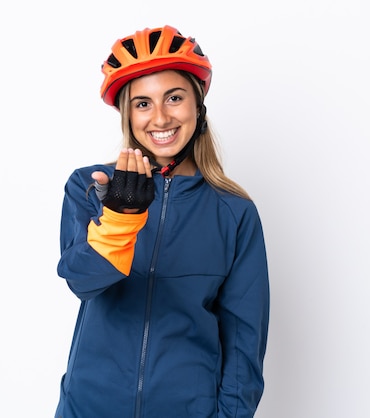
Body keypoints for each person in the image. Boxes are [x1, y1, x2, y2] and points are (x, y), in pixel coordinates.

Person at [55, 25, 269, 418]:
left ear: (198, 106)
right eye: (142, 103)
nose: (160, 117)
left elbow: (244, 343)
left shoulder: (234, 212)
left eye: (174, 98)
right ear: (127, 115)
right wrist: (121, 217)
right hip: (88, 407)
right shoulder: (89, 187)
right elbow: (81, 281)